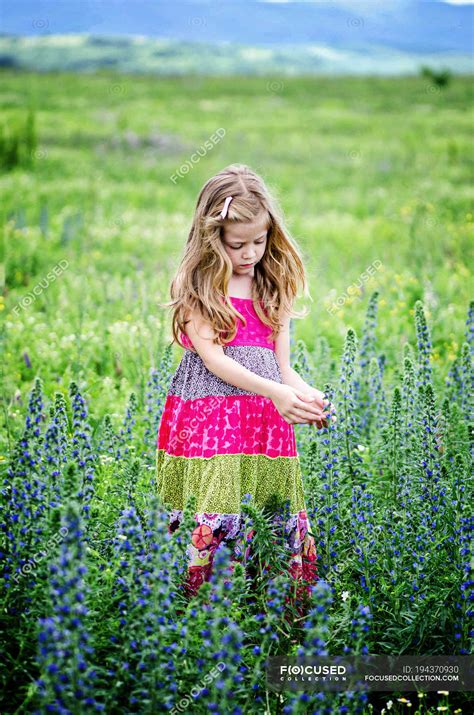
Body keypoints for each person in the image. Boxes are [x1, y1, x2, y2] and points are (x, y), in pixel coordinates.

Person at [156, 163, 335, 604]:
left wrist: (304, 395)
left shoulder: (273, 285)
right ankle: (209, 604)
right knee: (217, 498)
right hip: (212, 417)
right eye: (238, 244)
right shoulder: (200, 286)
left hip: (263, 421)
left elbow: (283, 368)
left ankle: (269, 600)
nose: (250, 253)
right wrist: (276, 391)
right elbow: (214, 360)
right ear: (211, 238)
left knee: (268, 503)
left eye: (260, 241)